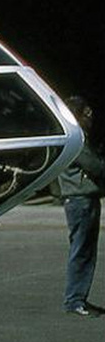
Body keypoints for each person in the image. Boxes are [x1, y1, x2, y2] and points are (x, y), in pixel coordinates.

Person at [58, 97, 105, 317]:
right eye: (86, 113)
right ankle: (75, 300)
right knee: (82, 251)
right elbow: (94, 166)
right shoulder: (77, 140)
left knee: (84, 250)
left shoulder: (74, 138)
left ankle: (78, 298)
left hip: (81, 199)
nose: (90, 117)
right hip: (81, 200)